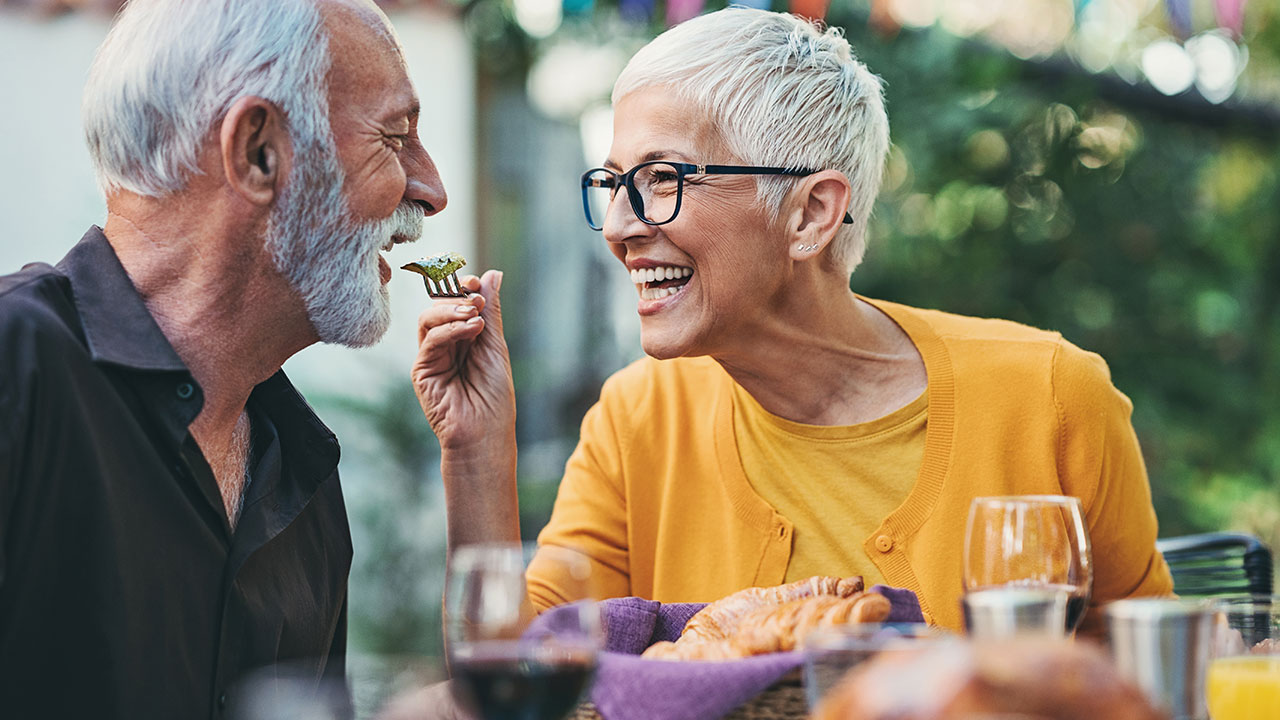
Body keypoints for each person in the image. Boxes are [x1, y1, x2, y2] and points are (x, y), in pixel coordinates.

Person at [412, 7, 1171, 634]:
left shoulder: (1050, 399)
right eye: (613, 184)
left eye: (661, 180)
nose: (618, 225)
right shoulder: (637, 420)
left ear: (811, 213)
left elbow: (1153, 680)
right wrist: (477, 454)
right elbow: (518, 683)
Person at [0, 0, 446, 717]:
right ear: (258, 151)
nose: (432, 190)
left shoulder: (301, 472)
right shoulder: (15, 370)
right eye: (394, 139)